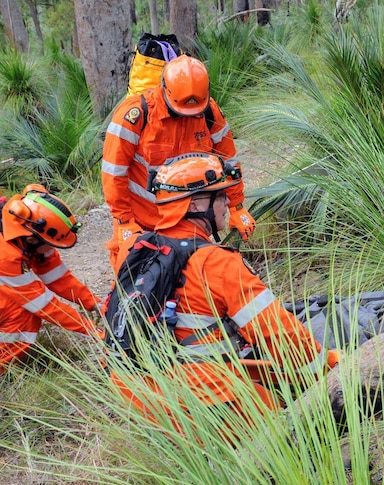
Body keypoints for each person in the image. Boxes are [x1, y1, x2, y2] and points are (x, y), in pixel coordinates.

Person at [106, 153, 337, 439]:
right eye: (219, 196)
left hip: (135, 393)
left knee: (260, 379)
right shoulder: (216, 262)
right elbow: (279, 334)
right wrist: (329, 367)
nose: (227, 203)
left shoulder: (135, 249)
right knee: (293, 426)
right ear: (196, 205)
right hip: (196, 398)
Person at [101, 54, 257, 270]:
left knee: (195, 283)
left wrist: (237, 206)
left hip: (189, 220)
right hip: (143, 221)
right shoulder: (135, 116)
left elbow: (228, 161)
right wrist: (124, 221)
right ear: (164, 89)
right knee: (137, 286)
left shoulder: (209, 112)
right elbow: (113, 173)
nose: (188, 115)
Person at [0, 185, 103, 374]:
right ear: (31, 240)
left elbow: (59, 278)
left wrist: (94, 303)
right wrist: (93, 330)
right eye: (48, 244)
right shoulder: (5, 257)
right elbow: (44, 306)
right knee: (21, 315)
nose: (51, 250)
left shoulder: (22, 234)